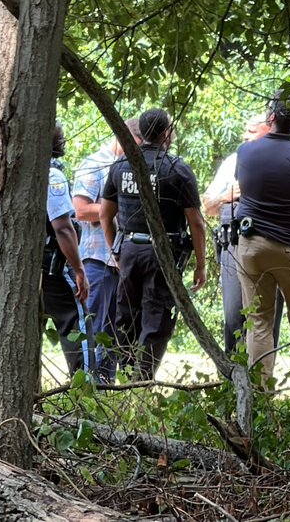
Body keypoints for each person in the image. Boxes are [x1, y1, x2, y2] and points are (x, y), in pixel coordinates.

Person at [100, 109, 208, 381]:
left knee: (126, 316)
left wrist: (115, 249)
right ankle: (141, 381)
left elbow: (105, 214)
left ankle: (124, 379)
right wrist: (201, 265)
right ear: (164, 134)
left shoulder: (121, 166)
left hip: (129, 252)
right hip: (163, 255)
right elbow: (196, 223)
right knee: (156, 318)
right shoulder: (177, 169)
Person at [235, 93, 290, 401]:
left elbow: (243, 187)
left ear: (271, 117)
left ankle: (259, 397)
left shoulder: (246, 152)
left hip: (252, 245)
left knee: (258, 321)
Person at [202, 114, 287, 355]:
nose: (245, 137)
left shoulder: (285, 161)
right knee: (233, 314)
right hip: (234, 245)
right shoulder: (233, 162)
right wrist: (225, 197)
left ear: (268, 131)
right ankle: (235, 381)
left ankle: (262, 381)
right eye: (245, 131)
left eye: (251, 131)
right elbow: (207, 206)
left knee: (268, 315)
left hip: (273, 246)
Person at [72, 118, 141, 384]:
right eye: (137, 144)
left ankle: (106, 384)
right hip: (98, 260)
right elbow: (80, 210)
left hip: (121, 262)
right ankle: (90, 385)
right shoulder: (96, 165)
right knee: (96, 327)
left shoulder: (132, 168)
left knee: (115, 330)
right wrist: (114, 213)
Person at [44, 122, 91, 378]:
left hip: (32, 269)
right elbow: (62, 227)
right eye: (60, 139)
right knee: (76, 323)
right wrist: (79, 269)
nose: (64, 143)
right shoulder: (53, 176)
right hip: (54, 267)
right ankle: (84, 387)